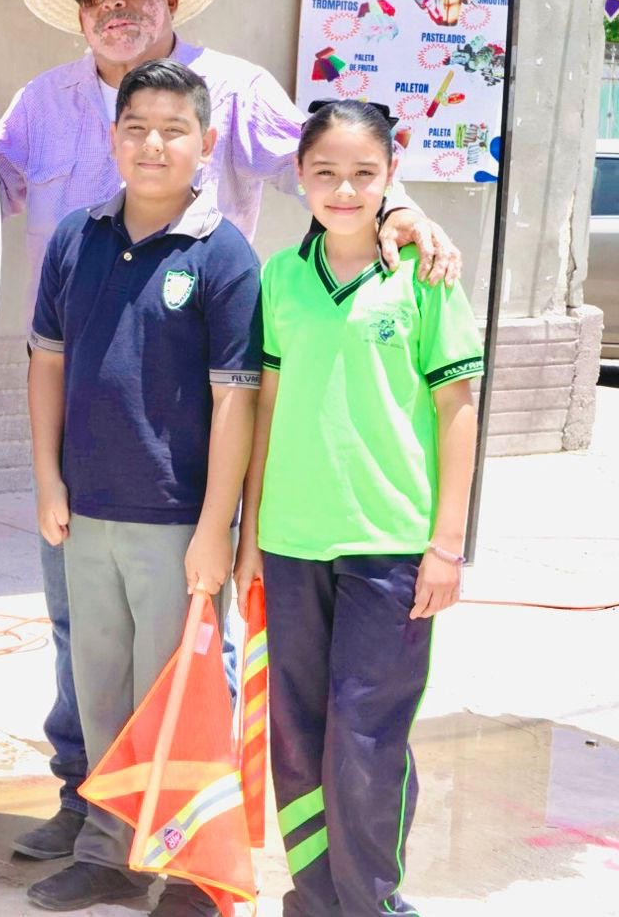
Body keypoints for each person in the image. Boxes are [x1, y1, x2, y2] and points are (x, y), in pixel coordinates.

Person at [0, 0, 465, 869]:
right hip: (86, 439)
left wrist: (408, 211)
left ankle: (174, 831)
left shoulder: (238, 92)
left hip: (194, 423)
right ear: (78, 12)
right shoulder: (41, 102)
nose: (116, 5)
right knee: (81, 634)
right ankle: (90, 804)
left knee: (187, 653)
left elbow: (331, 162)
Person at [235, 100, 480, 917]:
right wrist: (250, 534)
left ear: (390, 175)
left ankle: (369, 899)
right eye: (326, 173)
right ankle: (312, 897)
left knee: (367, 737)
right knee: (299, 736)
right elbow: (266, 404)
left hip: (391, 548)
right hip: (292, 541)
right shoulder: (280, 276)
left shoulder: (427, 274)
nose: (344, 190)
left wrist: (446, 548)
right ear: (300, 176)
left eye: (364, 174)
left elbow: (457, 410)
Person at [27, 59, 260, 916]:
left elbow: (237, 404)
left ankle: (195, 866)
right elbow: (46, 363)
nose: (153, 143)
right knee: (101, 688)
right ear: (111, 136)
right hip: (86, 510)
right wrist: (49, 480)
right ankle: (108, 851)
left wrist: (216, 529)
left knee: (182, 697)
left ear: (205, 143)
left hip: (175, 522)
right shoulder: (76, 237)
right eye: (136, 127)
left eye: (174, 128)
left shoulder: (223, 255)